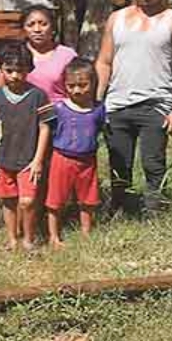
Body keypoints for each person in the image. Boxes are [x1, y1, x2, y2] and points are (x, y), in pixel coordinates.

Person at [95, 0, 172, 215]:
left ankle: (155, 211)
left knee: (153, 163)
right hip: (117, 103)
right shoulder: (116, 19)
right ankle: (120, 209)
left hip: (156, 104)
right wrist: (96, 103)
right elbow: (104, 62)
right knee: (119, 162)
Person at [0, 43, 56, 251]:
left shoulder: (38, 96)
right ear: (0, 69)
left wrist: (38, 160)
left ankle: (29, 239)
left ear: (30, 69)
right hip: (3, 158)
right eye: (9, 70)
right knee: (8, 201)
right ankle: (12, 239)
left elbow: (45, 128)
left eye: (20, 70)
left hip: (28, 159)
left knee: (27, 201)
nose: (15, 75)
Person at [45, 57, 106, 247]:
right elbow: (47, 130)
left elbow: (100, 128)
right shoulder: (59, 108)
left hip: (88, 161)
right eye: (71, 85)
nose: (77, 90)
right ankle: (54, 236)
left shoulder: (98, 109)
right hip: (62, 159)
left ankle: (86, 233)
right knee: (56, 199)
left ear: (94, 83)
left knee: (88, 199)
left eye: (83, 85)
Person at [0, 6, 77, 103]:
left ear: (53, 27)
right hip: (20, 113)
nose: (37, 29)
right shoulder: (12, 55)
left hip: (56, 114)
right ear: (23, 29)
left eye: (43, 24)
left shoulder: (67, 56)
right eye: (30, 25)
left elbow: (79, 91)